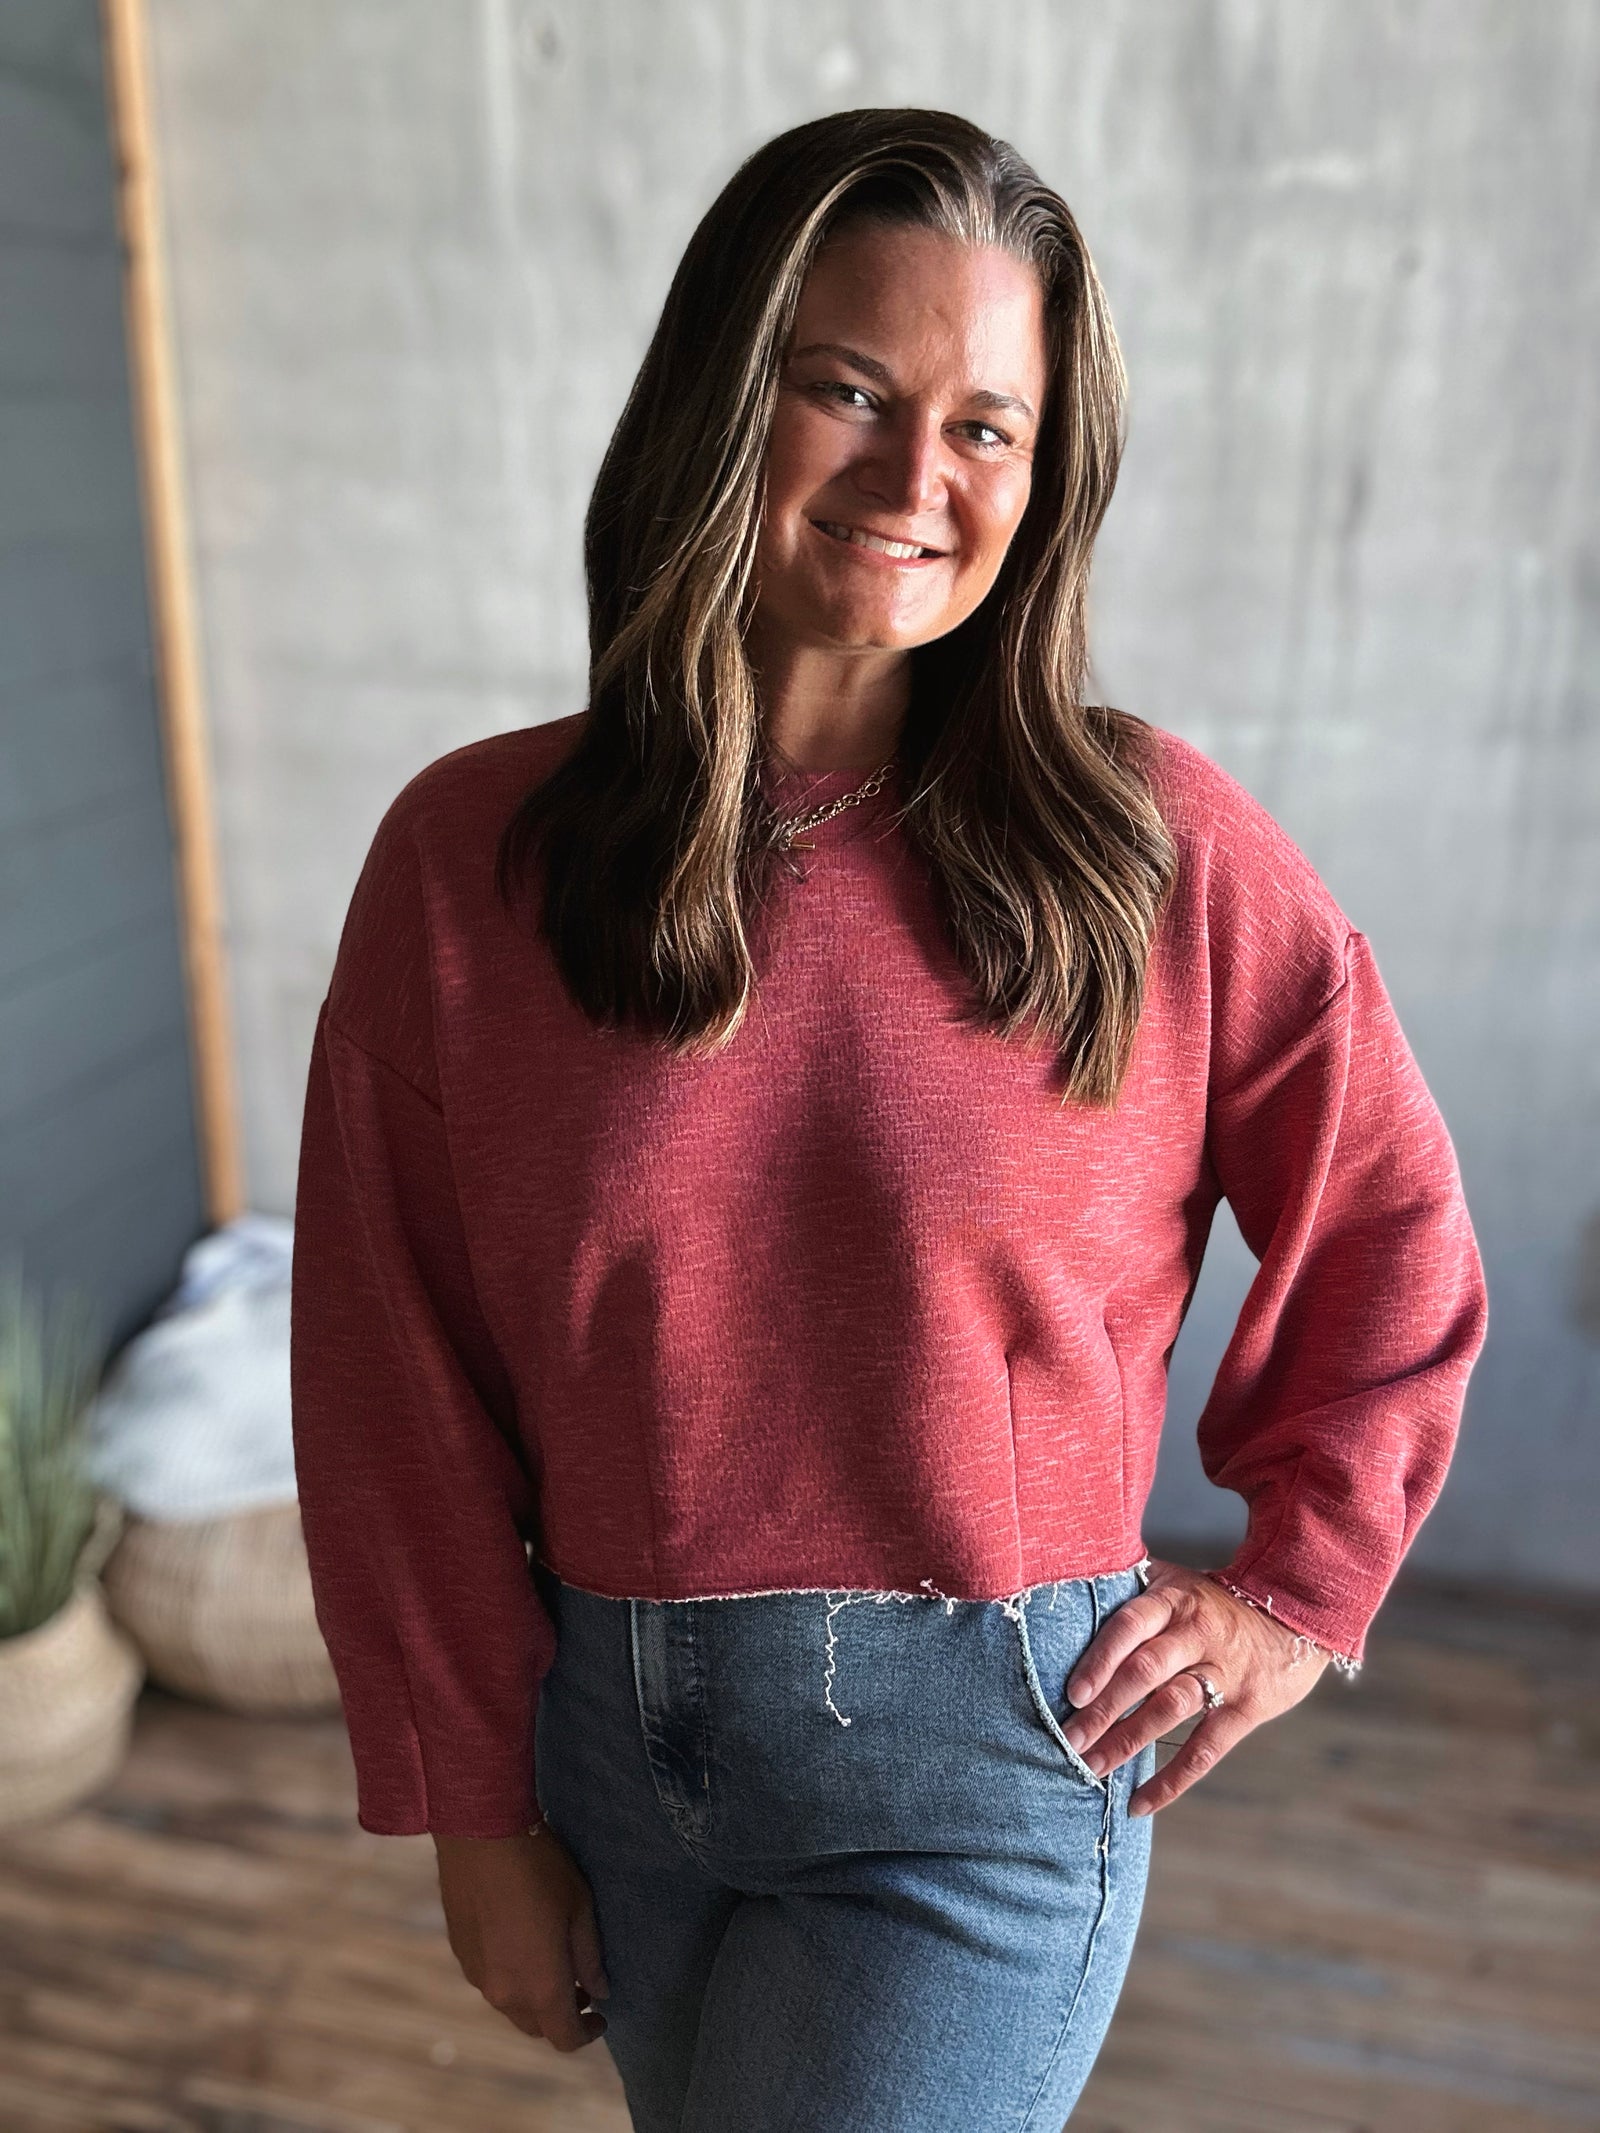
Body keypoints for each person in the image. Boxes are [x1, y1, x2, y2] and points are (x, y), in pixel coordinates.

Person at [289, 107, 1487, 2132]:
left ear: (1044, 471)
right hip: (611, 1757)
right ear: (722, 394)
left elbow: (1390, 1215)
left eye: (985, 425)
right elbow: (385, 1370)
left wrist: (1299, 1588)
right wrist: (469, 1804)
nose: (917, 477)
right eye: (848, 388)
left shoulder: (1147, 851)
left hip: (980, 1778)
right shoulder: (472, 859)